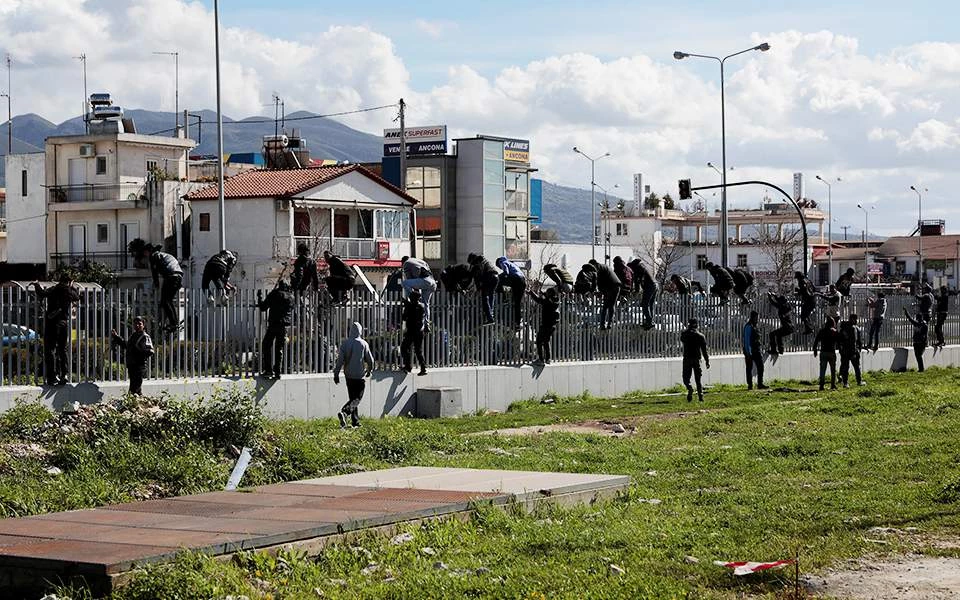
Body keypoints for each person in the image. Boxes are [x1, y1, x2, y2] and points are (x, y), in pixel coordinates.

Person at [32, 275, 80, 386]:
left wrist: (36, 284)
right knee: (63, 350)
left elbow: (42, 294)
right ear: (69, 282)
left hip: (51, 324)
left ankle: (52, 377)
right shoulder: (68, 291)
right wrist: (72, 287)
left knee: (50, 350)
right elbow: (77, 297)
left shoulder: (54, 289)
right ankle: (65, 374)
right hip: (63, 324)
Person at [333, 321, 375, 429]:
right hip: (359, 376)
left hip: (349, 376)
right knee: (357, 398)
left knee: (352, 398)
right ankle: (345, 412)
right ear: (360, 331)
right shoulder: (363, 343)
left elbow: (340, 361)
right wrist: (370, 370)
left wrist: (336, 374)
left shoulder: (345, 343)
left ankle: (355, 421)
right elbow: (371, 361)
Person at [256, 280, 295, 380]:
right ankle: (277, 372)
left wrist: (259, 297)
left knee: (266, 344)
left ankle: (268, 370)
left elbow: (263, 307)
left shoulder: (275, 294)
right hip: (284, 326)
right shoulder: (291, 297)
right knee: (279, 349)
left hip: (274, 324)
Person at [110, 316, 154, 396]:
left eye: (139, 324)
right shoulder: (134, 335)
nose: (137, 325)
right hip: (132, 365)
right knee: (135, 386)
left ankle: (133, 402)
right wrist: (117, 338)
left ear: (143, 325)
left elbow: (150, 351)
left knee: (134, 387)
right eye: (135, 324)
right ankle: (137, 401)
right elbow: (127, 345)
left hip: (139, 365)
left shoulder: (145, 336)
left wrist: (138, 350)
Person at [148, 245, 184, 334]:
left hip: (170, 276)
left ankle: (173, 323)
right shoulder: (167, 255)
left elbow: (154, 271)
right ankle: (174, 323)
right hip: (178, 276)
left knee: (165, 301)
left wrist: (156, 283)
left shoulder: (154, 255)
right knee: (169, 301)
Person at [401, 256, 437, 329]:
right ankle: (426, 324)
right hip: (432, 283)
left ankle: (413, 299)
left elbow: (409, 279)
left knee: (405, 283)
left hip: (425, 281)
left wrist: (413, 296)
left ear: (403, 262)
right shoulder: (421, 261)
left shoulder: (406, 263)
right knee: (426, 304)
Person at [680, 318, 710, 402]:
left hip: (687, 359)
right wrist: (707, 361)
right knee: (698, 379)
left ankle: (689, 388)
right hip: (697, 359)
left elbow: (682, 340)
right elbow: (704, 350)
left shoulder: (684, 334)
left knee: (686, 378)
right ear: (697, 325)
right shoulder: (700, 336)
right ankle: (700, 395)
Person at [529, 287, 560, 365]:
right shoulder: (556, 300)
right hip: (552, 326)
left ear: (549, 294)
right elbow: (546, 298)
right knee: (546, 341)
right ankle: (548, 359)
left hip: (546, 325)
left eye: (547, 292)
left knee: (539, 341)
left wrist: (531, 293)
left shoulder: (547, 301)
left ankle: (541, 359)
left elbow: (538, 300)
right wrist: (543, 294)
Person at [400, 289, 427, 376]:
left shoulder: (410, 307)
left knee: (404, 348)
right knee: (418, 350)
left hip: (411, 331)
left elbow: (404, 318)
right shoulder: (422, 307)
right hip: (420, 331)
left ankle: (408, 366)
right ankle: (423, 368)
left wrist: (406, 307)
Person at [468, 253, 500, 325]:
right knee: (491, 295)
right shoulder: (484, 260)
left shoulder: (476, 264)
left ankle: (489, 317)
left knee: (484, 298)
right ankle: (490, 315)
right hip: (496, 277)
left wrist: (479, 289)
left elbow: (477, 278)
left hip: (488, 277)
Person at [496, 256, 527, 328]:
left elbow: (506, 272)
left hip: (516, 280)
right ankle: (517, 322)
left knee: (497, 280)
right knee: (517, 303)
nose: (500, 268)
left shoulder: (503, 262)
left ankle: (502, 297)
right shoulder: (513, 264)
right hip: (522, 281)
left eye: (499, 267)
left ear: (498, 263)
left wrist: (498, 276)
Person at [591, 258, 621, 330]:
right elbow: (602, 279)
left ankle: (602, 324)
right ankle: (610, 323)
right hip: (617, 286)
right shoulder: (605, 266)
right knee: (611, 305)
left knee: (605, 307)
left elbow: (597, 279)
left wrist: (596, 290)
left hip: (610, 287)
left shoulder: (597, 267)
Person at [838, 314, 864, 387]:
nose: (856, 321)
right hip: (852, 352)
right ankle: (859, 381)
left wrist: (841, 350)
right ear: (852, 319)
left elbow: (839, 340)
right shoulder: (854, 328)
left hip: (845, 352)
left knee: (845, 368)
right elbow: (857, 341)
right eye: (855, 319)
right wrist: (857, 351)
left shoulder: (843, 328)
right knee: (856, 367)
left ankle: (845, 383)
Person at [813, 317, 839, 391]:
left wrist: (815, 350)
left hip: (823, 352)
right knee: (833, 370)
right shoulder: (834, 331)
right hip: (831, 352)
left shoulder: (822, 331)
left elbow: (816, 340)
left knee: (822, 369)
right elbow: (839, 341)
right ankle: (833, 385)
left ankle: (821, 386)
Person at [743, 311, 767, 390]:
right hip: (750, 351)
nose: (757, 319)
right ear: (753, 317)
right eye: (756, 317)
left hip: (757, 350)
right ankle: (750, 385)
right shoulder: (748, 326)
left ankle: (760, 384)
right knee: (749, 368)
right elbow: (747, 341)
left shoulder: (755, 326)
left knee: (761, 367)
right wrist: (748, 353)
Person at [904, 308, 928, 372]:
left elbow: (910, 319)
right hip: (920, 342)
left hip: (919, 342)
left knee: (918, 356)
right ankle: (921, 368)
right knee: (918, 356)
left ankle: (921, 369)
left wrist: (906, 312)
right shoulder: (924, 324)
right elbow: (926, 335)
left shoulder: (918, 324)